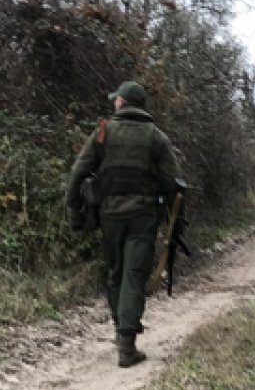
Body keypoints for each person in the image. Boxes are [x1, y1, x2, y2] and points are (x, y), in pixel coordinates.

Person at [66, 81, 181, 367]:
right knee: (134, 274)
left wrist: (75, 212)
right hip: (143, 216)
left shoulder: (103, 134)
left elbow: (77, 173)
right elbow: (172, 183)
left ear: (121, 103)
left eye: (115, 99)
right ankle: (127, 345)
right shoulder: (157, 138)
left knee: (116, 272)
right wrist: (171, 219)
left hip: (110, 216)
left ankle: (121, 331)